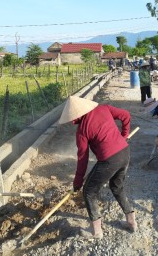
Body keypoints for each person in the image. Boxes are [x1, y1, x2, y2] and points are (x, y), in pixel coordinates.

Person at [58, 96, 136, 239]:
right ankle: (131, 221)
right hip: (125, 152)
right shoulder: (103, 108)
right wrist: (123, 136)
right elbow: (125, 115)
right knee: (117, 187)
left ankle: (97, 232)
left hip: (109, 160)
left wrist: (78, 182)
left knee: (89, 191)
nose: (71, 121)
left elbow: (83, 158)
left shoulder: (82, 131)